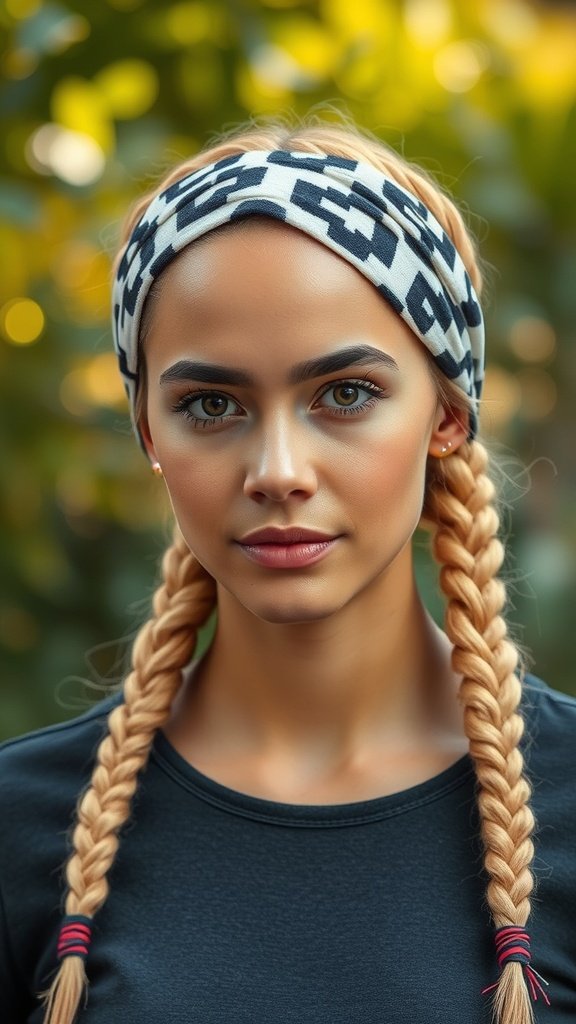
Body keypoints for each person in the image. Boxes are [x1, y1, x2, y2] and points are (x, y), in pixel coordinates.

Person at [0, 114, 575, 1024]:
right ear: (149, 432)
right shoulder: (20, 827)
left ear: (447, 415)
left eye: (345, 394)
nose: (277, 472)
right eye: (211, 404)